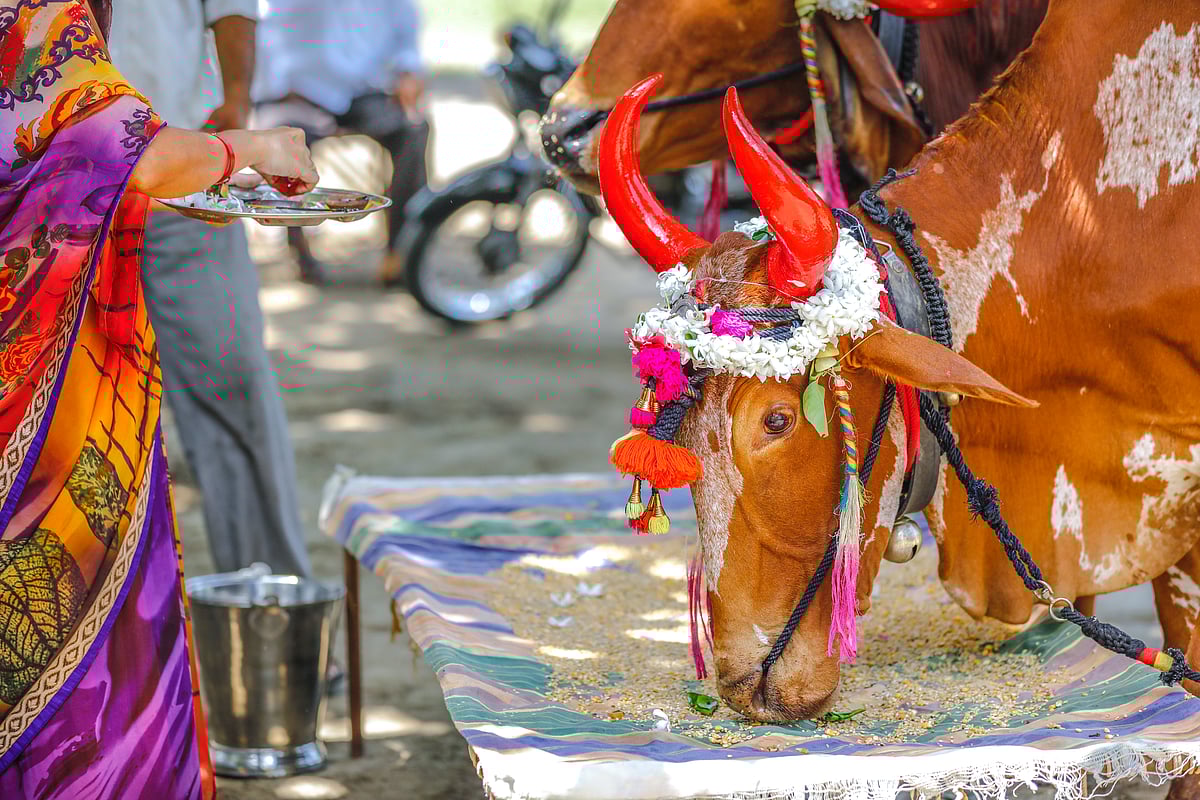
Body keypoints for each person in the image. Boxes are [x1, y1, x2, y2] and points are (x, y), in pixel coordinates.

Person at [0, 1, 317, 795]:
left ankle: (270, 609)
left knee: (234, 395)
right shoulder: (41, 16)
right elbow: (134, 152)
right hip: (45, 338)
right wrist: (257, 145)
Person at [108, 0, 314, 580]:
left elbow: (232, 8)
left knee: (229, 389)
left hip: (181, 179)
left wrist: (234, 118)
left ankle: (267, 610)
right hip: (53, 205)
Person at [253, 0, 430, 284]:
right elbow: (261, 26)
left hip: (363, 89)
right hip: (297, 90)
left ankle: (400, 249)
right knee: (282, 138)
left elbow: (405, 34)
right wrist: (272, 87)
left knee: (413, 128)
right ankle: (300, 251)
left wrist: (408, 72)